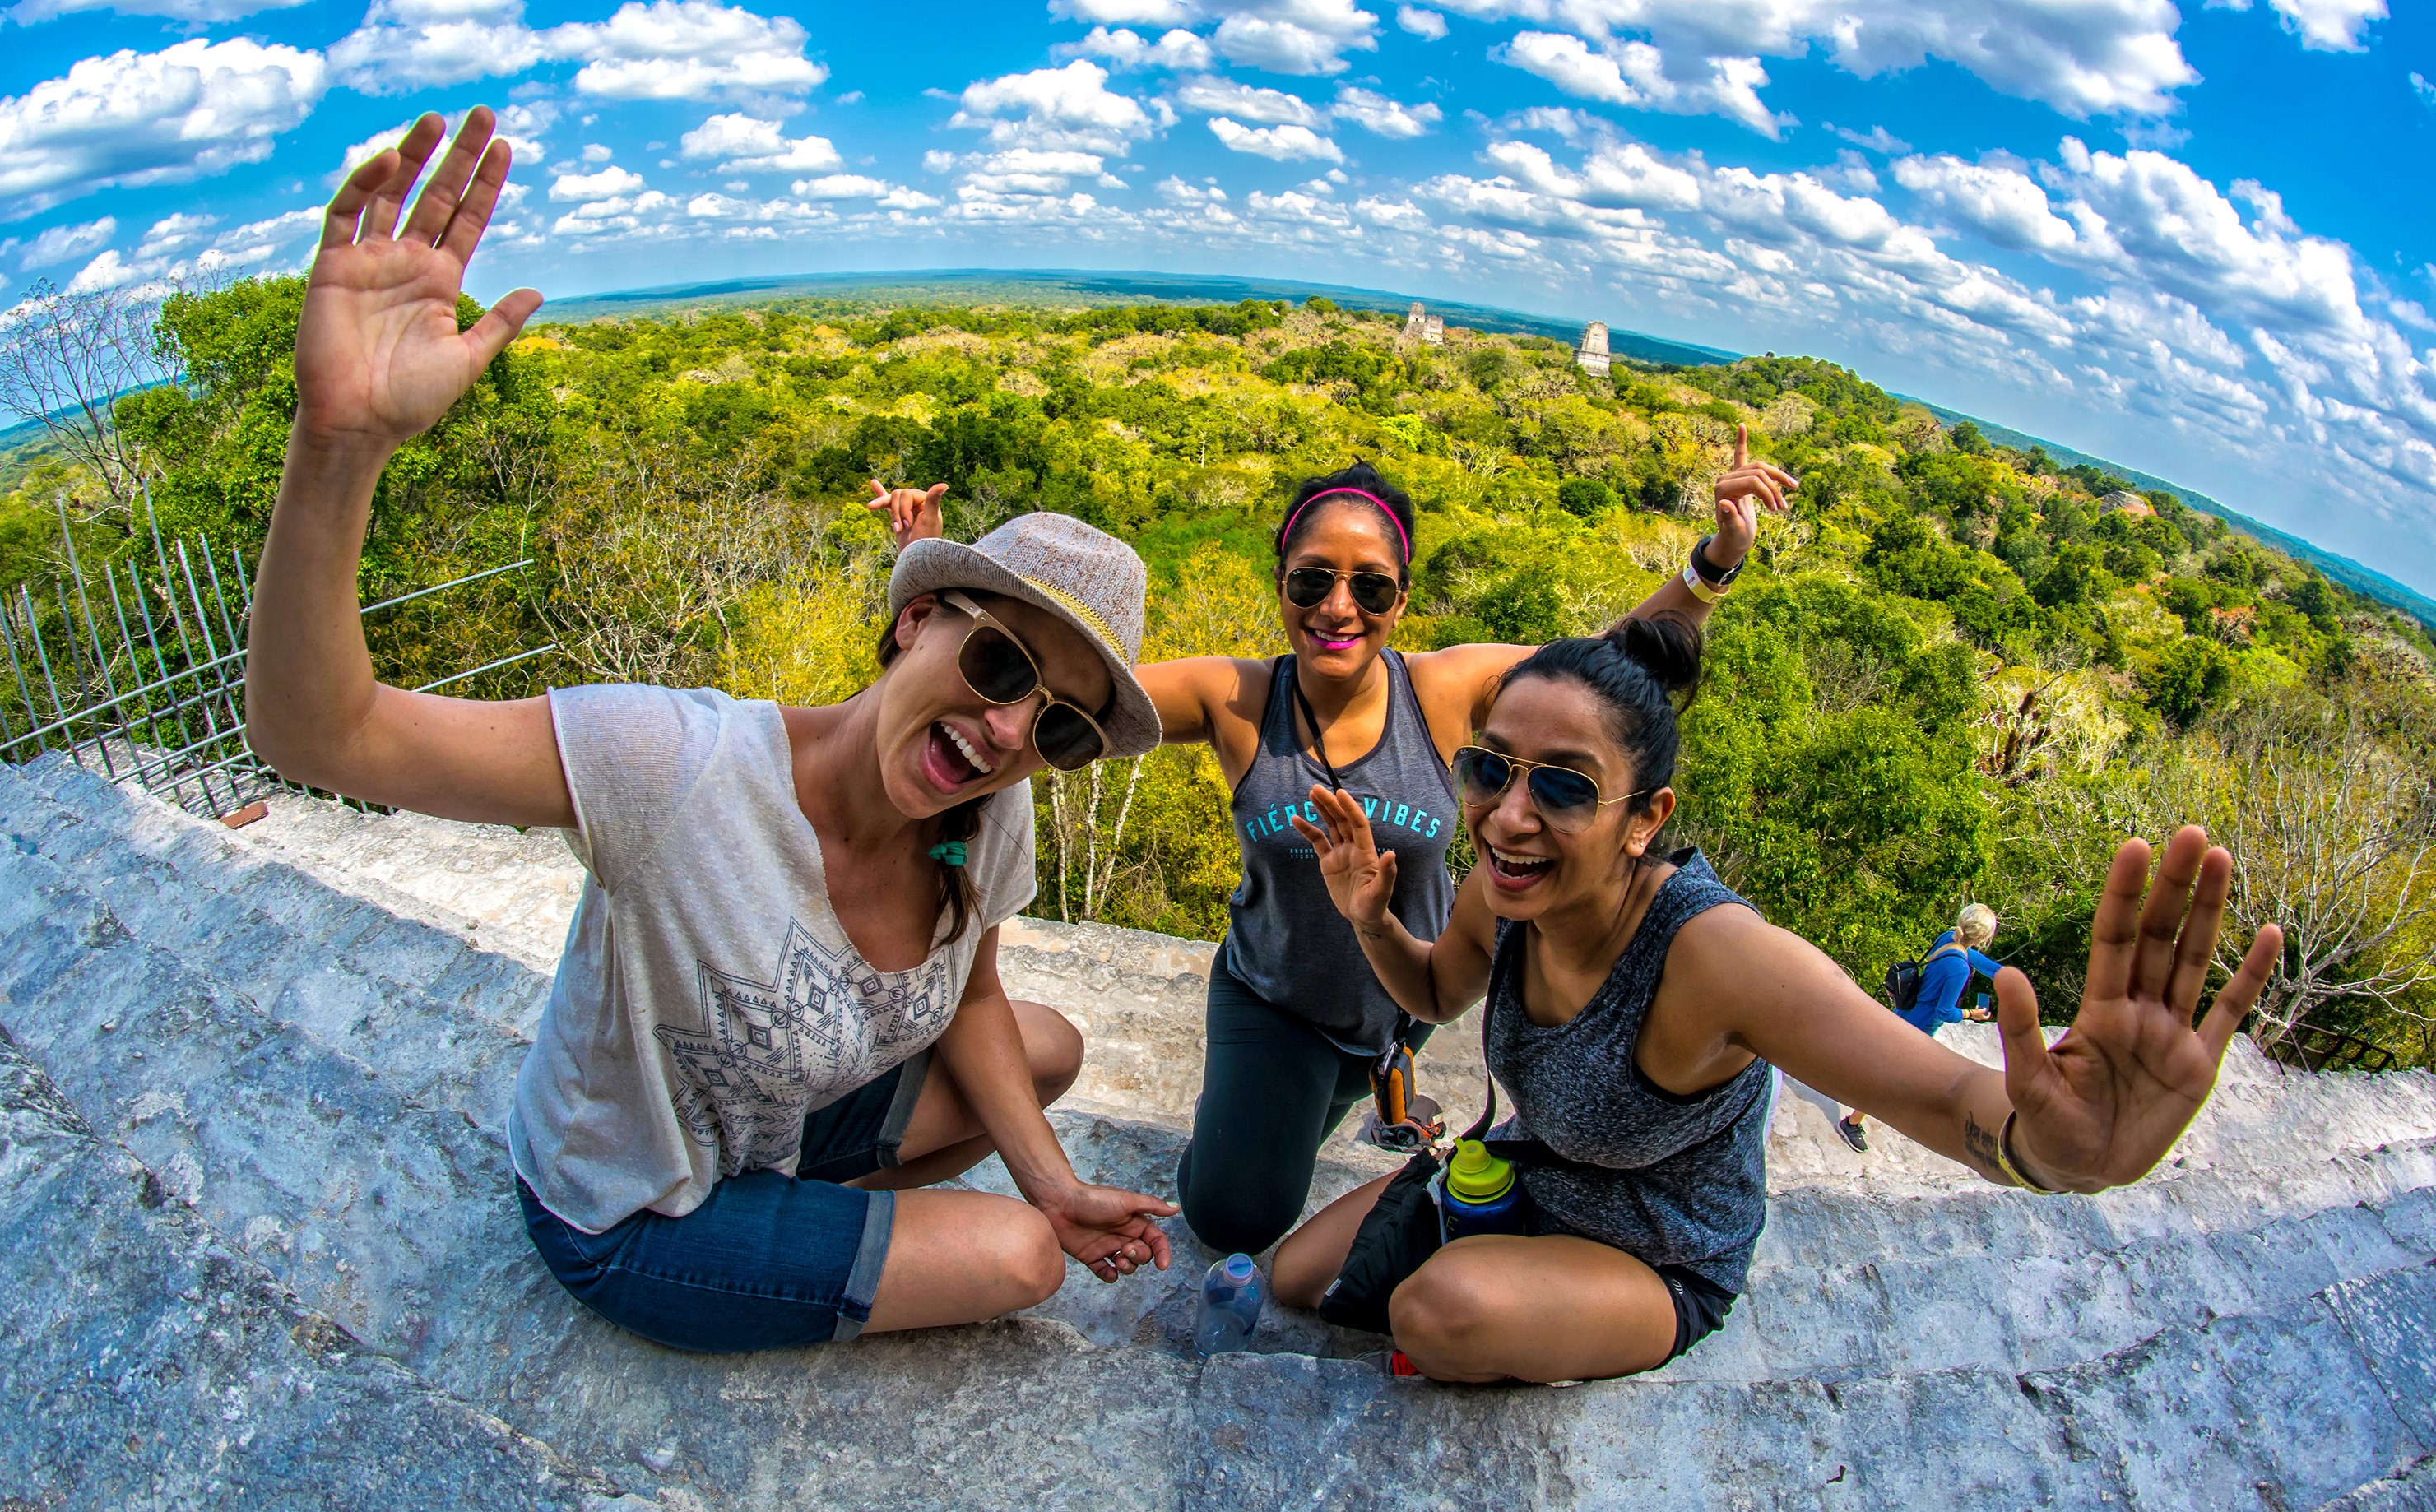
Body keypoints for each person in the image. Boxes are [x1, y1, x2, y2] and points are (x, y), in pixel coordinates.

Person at [244, 107, 1177, 1355]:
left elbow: (977, 999)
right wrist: (340, 446)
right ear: (915, 622)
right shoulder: (676, 769)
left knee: (1044, 1051)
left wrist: (1055, 1180)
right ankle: (758, 1240)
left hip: (772, 1125)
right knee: (1012, 1257)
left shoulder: (986, 812)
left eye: (1058, 725)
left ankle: (797, 1219)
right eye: (1001, 662)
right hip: (626, 1202)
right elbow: (322, 738)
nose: (1010, 732)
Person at [1269, 620, 2280, 1384]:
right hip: (1533, 1176)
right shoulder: (1503, 888)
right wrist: (1371, 920)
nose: (1510, 813)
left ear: (1644, 818)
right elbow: (1438, 988)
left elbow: (1935, 1095)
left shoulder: (1718, 958)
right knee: (1292, 1277)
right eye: (1489, 767)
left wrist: (2058, 1151)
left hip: (1658, 1251)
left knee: (1435, 1312)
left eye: (1567, 788)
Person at [869, 443, 1798, 1257]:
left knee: (1319, 1117)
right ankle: (1258, 1118)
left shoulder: (1446, 690)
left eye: (1371, 585)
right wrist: (934, 601)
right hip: (1275, 996)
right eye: (1311, 580)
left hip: (1409, 995)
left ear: (1402, 597)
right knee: (1232, 1213)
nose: (1337, 607)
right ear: (1279, 582)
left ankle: (1329, 1101)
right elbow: (1051, 700)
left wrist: (1714, 563)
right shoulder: (1234, 696)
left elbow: (1610, 670)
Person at [1839, 903, 2006, 1153]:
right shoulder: (1960, 969)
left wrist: (2002, 974)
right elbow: (1945, 1012)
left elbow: (1976, 959)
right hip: (1918, 1029)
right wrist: (1973, 1014)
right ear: (1982, 936)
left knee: (1885, 1066)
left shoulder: (1947, 938)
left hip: (1906, 1010)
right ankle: (1851, 1123)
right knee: (1890, 1080)